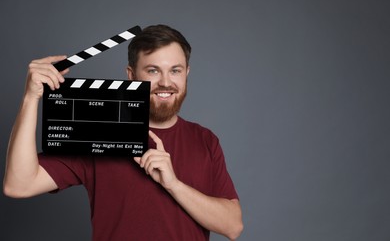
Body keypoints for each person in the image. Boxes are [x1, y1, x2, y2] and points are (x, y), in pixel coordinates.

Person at [3, 24, 243, 240]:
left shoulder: (205, 140)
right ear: (131, 75)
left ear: (187, 73)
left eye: (175, 71)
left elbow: (233, 226)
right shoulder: (99, 133)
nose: (166, 82)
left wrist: (173, 185)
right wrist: (30, 97)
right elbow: (18, 185)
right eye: (153, 70)